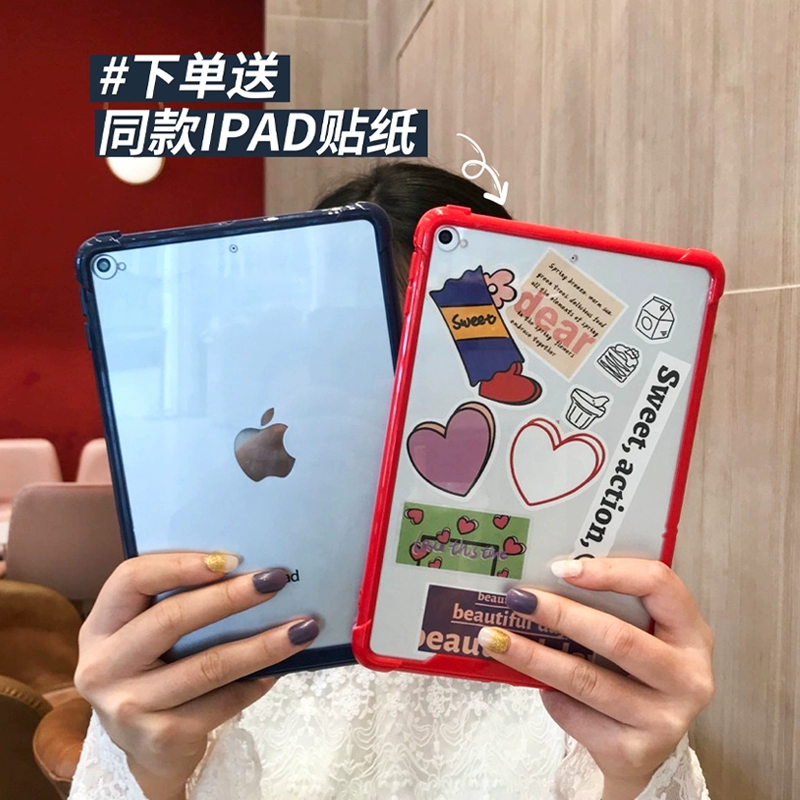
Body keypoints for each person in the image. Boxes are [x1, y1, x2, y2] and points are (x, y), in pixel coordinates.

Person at [69, 163, 714, 800]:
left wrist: (635, 777)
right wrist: (152, 774)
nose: (396, 404)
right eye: (349, 354)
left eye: (427, 360)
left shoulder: (569, 600)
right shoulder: (220, 576)